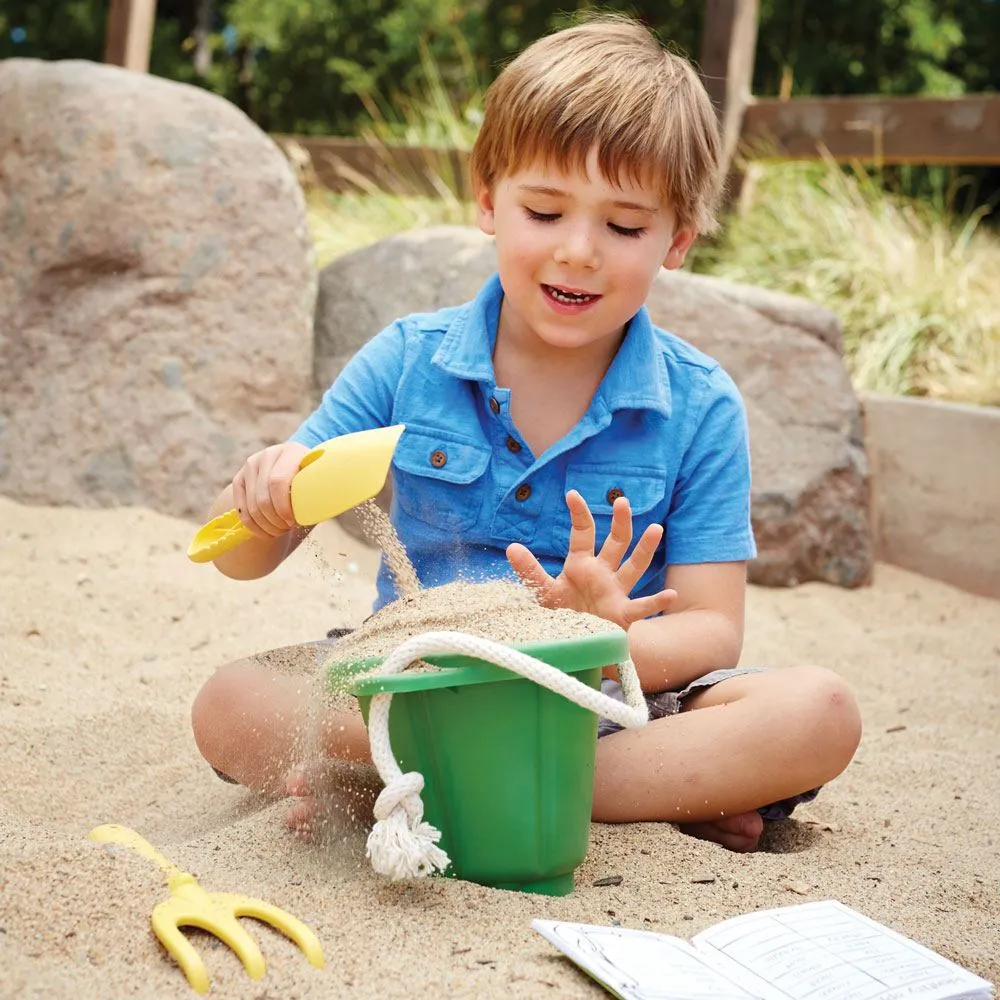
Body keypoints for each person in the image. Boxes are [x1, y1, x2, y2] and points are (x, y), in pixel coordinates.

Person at [191, 15, 861, 853]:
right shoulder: (408, 362)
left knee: (818, 712)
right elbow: (238, 558)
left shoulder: (700, 404)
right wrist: (265, 495)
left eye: (624, 227)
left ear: (678, 239)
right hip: (415, 681)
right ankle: (565, 790)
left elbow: (712, 631)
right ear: (487, 199)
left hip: (605, 702)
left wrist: (600, 634)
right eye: (544, 210)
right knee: (229, 701)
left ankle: (422, 786)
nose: (579, 251)